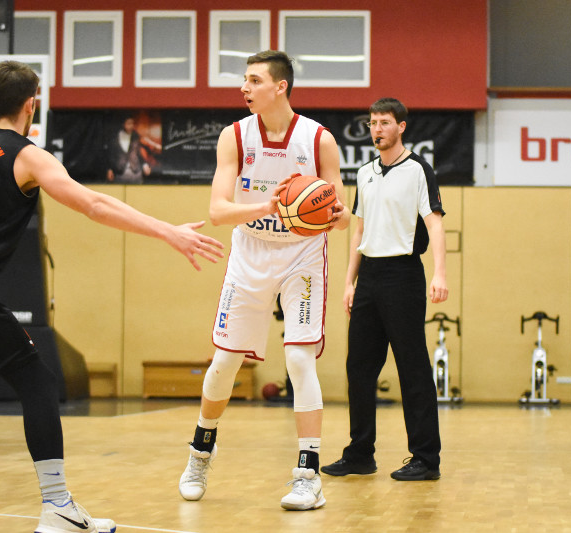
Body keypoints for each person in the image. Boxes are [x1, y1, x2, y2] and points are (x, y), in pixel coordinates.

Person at [0, 61, 223, 533]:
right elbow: (93, 203)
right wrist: (168, 231)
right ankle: (58, 508)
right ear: (33, 103)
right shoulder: (27, 155)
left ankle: (61, 508)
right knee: (37, 381)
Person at [177, 50, 349, 511]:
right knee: (224, 364)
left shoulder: (319, 141)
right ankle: (200, 453)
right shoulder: (234, 136)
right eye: (245, 80)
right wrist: (267, 208)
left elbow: (341, 212)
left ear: (280, 87)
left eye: (253, 80)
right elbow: (217, 211)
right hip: (250, 253)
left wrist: (337, 215)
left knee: (298, 359)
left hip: (302, 255)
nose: (244, 88)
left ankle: (308, 476)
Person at [321, 97, 447, 482]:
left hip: (403, 274)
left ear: (401, 127)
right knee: (358, 369)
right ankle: (360, 454)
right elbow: (359, 228)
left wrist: (440, 273)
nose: (377, 129)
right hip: (369, 278)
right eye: (373, 123)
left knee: (413, 370)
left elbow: (436, 223)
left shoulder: (419, 171)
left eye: (384, 123)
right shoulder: (364, 173)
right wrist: (348, 282)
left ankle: (425, 458)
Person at [106, 115, 162, 184]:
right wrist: (109, 169)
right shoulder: (115, 138)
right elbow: (110, 155)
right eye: (129, 123)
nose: (131, 126)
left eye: (132, 123)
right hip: (120, 172)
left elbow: (139, 153)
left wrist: (144, 165)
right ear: (123, 124)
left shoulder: (135, 136)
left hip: (135, 172)